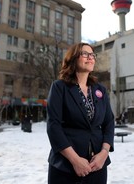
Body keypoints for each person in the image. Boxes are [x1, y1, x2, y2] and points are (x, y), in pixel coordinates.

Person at [46, 43, 115, 184]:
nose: (90, 58)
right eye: (85, 54)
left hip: (97, 167)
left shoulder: (100, 90)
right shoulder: (59, 87)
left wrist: (104, 153)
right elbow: (54, 127)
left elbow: (109, 123)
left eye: (92, 55)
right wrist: (75, 160)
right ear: (73, 58)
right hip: (66, 167)